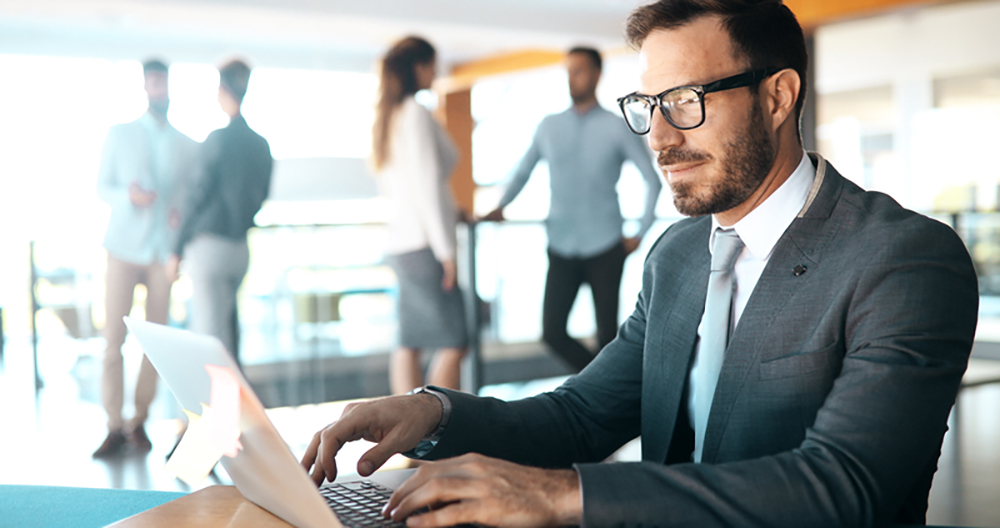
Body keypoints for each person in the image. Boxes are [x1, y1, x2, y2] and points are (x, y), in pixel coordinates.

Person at [302, 1, 980, 526]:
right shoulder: (678, 255)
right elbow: (579, 417)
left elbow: (842, 487)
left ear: (777, 98)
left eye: (686, 101)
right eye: (649, 105)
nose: (659, 135)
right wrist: (434, 414)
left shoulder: (904, 260)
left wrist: (564, 495)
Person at [481, 47, 662, 372]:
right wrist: (500, 207)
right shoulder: (548, 126)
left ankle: (606, 399)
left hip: (606, 245)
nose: (571, 78)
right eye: (568, 71)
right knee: (552, 333)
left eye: (578, 71)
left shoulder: (616, 126)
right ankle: (600, 384)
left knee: (608, 336)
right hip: (561, 245)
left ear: (595, 74)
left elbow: (652, 180)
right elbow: (522, 172)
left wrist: (639, 234)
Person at [94, 58, 198, 458]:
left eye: (165, 82)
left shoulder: (186, 143)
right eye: (154, 82)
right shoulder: (119, 134)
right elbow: (102, 187)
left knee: (155, 343)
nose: (160, 89)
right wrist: (129, 198)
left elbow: (190, 197)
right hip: (122, 249)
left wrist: (179, 213)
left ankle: (138, 421)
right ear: (144, 86)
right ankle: (113, 426)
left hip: (161, 255)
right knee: (112, 342)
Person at [372, 36, 468, 396]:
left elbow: (412, 187)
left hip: (401, 245)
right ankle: (438, 435)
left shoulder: (389, 116)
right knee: (457, 339)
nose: (435, 72)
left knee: (409, 339)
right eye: (432, 64)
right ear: (418, 67)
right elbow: (427, 185)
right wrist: (447, 253)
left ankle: (406, 436)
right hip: (425, 246)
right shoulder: (414, 112)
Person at [166, 59, 273, 364]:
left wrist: (175, 250)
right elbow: (261, 196)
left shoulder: (218, 140)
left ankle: (214, 409)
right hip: (240, 250)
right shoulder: (261, 144)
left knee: (210, 338)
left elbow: (196, 197)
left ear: (223, 89)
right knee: (228, 332)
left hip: (210, 248)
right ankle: (233, 406)